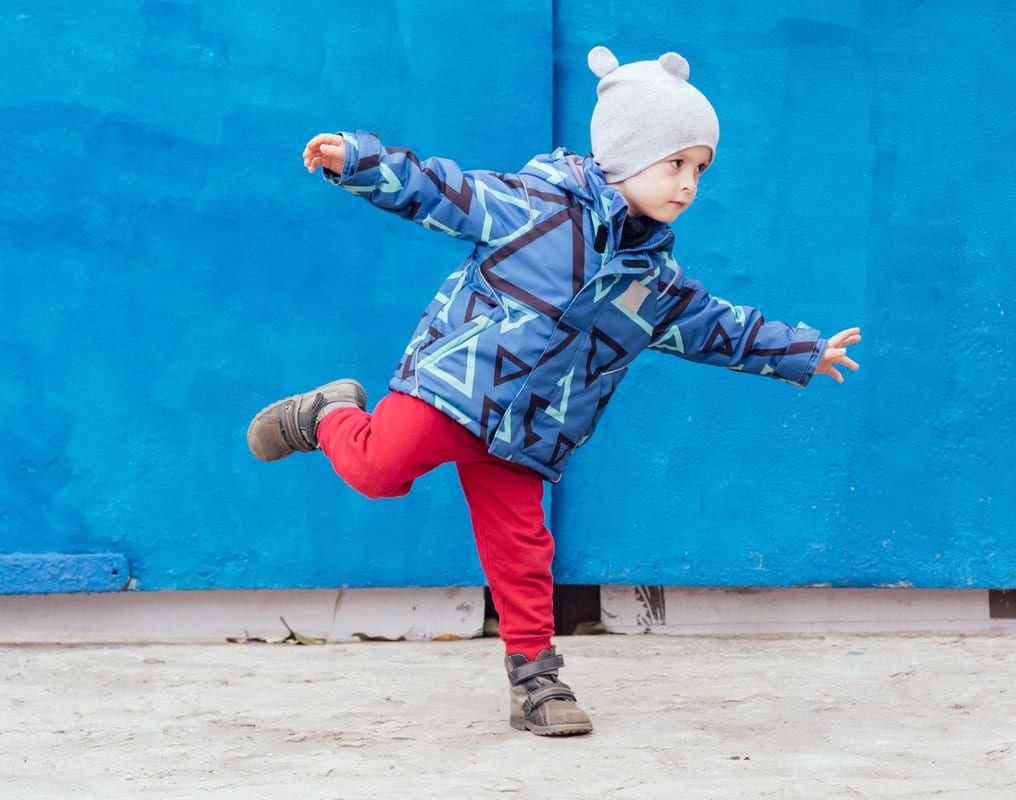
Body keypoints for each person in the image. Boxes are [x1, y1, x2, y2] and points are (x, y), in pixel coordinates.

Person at [247, 45, 862, 737]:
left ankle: (536, 680)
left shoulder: (654, 283)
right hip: (456, 390)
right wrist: (357, 161)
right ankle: (327, 411)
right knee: (375, 470)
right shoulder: (535, 207)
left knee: (523, 551)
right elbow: (442, 191)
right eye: (675, 164)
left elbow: (721, 329)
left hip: (530, 431)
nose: (688, 184)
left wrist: (801, 350)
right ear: (625, 156)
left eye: (699, 169)